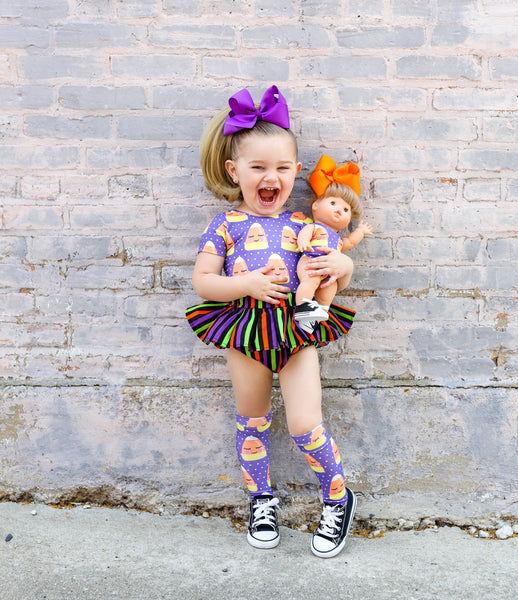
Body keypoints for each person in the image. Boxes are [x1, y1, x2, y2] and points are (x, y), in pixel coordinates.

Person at [185, 85, 357, 558]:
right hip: (244, 334)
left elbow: (335, 271)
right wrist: (248, 286)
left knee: (305, 424)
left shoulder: (306, 225)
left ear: (296, 173)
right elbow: (203, 281)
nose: (270, 177)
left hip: (299, 334)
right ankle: (261, 499)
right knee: (252, 420)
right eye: (258, 167)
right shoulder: (225, 227)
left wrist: (343, 268)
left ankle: (338, 498)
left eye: (281, 168)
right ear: (233, 171)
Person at [294, 155, 373, 333]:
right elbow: (305, 233)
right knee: (309, 282)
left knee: (329, 289)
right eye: (332, 203)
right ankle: (303, 308)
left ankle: (320, 312)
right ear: (315, 205)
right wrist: (304, 242)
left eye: (346, 209)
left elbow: (348, 243)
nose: (339, 210)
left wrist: (359, 232)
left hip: (330, 273)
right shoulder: (314, 226)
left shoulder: (337, 239)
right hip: (311, 261)